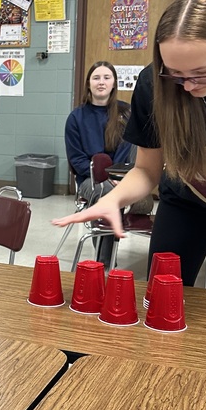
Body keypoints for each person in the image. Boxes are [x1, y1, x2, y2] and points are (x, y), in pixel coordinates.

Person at [54, 0, 206, 289]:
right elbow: (146, 170)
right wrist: (113, 199)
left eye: (202, 73)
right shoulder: (153, 83)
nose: (188, 86)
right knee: (164, 292)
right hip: (185, 199)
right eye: (176, 74)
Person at [64, 60, 150, 266]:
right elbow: (77, 160)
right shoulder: (76, 117)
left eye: (106, 77)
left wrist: (119, 179)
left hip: (122, 178)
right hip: (89, 180)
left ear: (113, 84)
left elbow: (130, 151)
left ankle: (105, 262)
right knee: (106, 192)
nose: (101, 82)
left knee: (115, 188)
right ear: (88, 84)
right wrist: (106, 181)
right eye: (96, 78)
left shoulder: (126, 112)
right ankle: (105, 262)